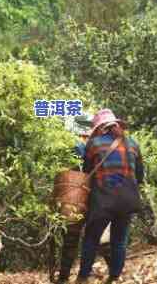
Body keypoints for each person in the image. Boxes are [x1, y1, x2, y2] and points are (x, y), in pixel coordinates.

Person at [76, 109, 144, 284]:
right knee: (119, 240)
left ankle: (83, 277)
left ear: (100, 128)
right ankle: (114, 277)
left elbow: (86, 172)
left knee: (91, 238)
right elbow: (140, 176)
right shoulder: (133, 144)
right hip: (128, 199)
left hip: (103, 201)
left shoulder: (94, 144)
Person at [56, 115, 112, 284]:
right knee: (98, 237)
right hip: (88, 197)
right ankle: (114, 272)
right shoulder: (89, 146)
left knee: (73, 239)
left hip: (77, 197)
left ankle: (66, 277)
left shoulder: (81, 147)